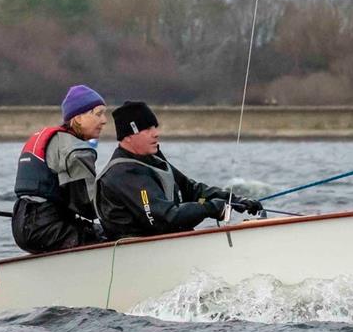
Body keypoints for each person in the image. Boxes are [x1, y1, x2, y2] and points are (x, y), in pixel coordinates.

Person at [95, 101, 262, 240]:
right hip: (138, 255)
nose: (156, 134)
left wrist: (233, 199)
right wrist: (210, 208)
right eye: (147, 129)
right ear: (128, 136)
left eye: (155, 127)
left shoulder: (154, 160)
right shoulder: (123, 174)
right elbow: (166, 217)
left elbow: (191, 190)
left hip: (167, 247)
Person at [11, 85, 108, 253]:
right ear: (78, 118)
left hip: (21, 224)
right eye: (98, 114)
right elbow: (88, 206)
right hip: (46, 227)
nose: (104, 120)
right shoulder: (75, 149)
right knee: (109, 236)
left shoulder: (49, 139)